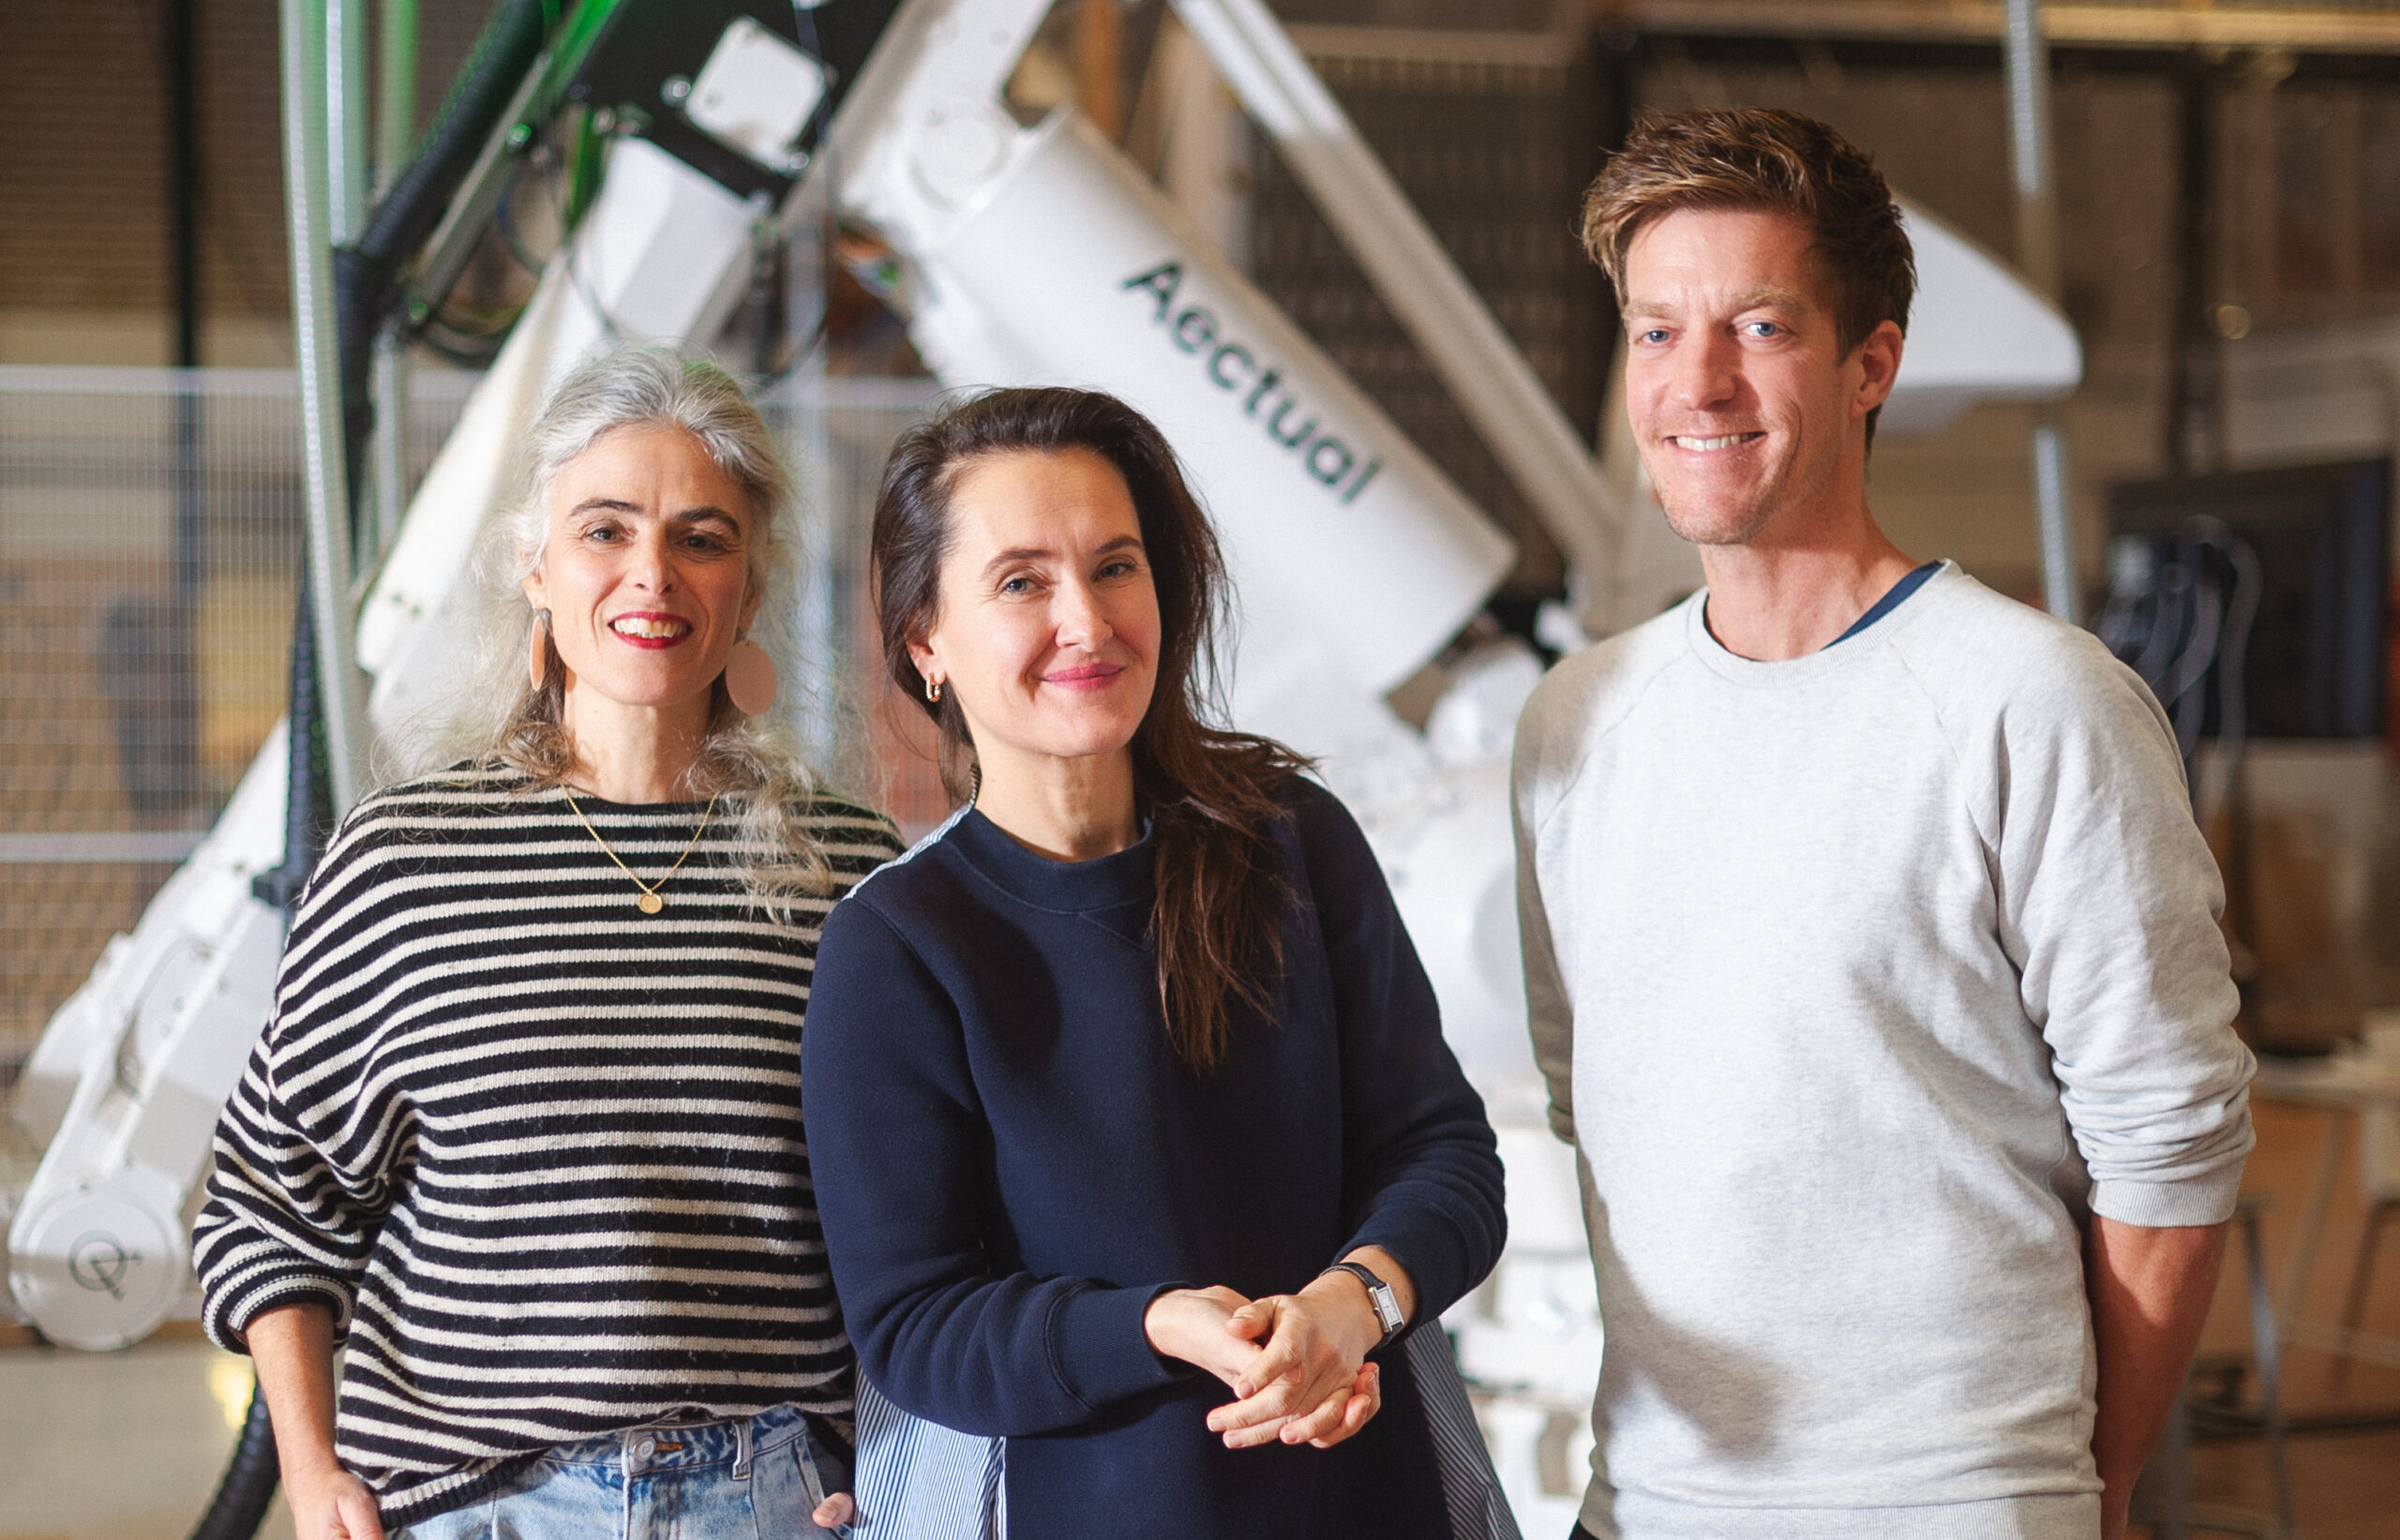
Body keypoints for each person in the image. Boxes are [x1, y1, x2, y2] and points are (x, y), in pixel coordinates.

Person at [1515, 108, 2258, 1540]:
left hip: (1951, 1505)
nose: (1697, 381)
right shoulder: (1575, 723)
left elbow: (2171, 1151)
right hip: (1644, 1506)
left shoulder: (2033, 702)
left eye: (1759, 326)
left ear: (1872, 365)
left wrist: (2086, 1484)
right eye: (1657, 330)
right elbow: (1593, 1106)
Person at [192, 348, 902, 1540]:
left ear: (750, 585)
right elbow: (272, 1198)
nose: (652, 573)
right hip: (474, 1503)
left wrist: (891, 1466)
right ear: (535, 565)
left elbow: (918, 1222)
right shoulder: (406, 859)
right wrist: (313, 1476)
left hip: (777, 1500)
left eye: (702, 537)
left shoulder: (852, 871)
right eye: (604, 529)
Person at [800, 386, 1509, 1539]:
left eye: (1114, 566)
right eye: (1021, 582)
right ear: (926, 640)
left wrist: (1353, 1304)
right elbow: (916, 1325)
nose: (1086, 620)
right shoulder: (898, 942)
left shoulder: (1292, 840)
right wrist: (1153, 1325)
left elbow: (1444, 1156)